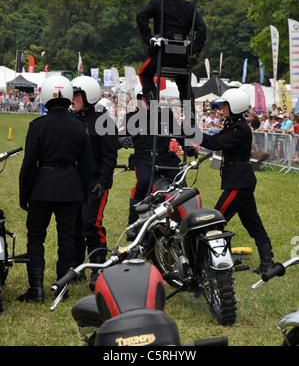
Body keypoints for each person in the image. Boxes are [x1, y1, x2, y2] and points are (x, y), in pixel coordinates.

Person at [17, 75, 92, 303]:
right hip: (70, 189)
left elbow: (28, 165)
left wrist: (24, 194)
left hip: (41, 188)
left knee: (36, 237)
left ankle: (36, 289)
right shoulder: (80, 127)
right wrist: (83, 193)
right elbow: (87, 165)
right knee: (66, 239)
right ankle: (62, 288)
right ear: (68, 97)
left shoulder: (37, 126)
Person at [200, 88, 275, 275]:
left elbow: (214, 144)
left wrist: (191, 133)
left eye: (225, 104)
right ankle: (268, 262)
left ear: (234, 106)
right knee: (253, 223)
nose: (222, 107)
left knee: (215, 220)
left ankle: (213, 260)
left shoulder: (239, 128)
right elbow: (213, 140)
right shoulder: (232, 124)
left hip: (239, 181)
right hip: (240, 179)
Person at [119, 90, 198, 240]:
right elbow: (118, 135)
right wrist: (121, 140)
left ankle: (185, 219)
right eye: (144, 98)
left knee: (180, 181)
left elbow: (178, 133)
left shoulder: (166, 114)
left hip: (165, 157)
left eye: (150, 97)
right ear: (139, 99)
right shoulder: (131, 117)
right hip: (143, 158)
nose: (147, 101)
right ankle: (134, 224)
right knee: (143, 181)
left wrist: (187, 146)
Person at [71, 76, 118, 290]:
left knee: (92, 223)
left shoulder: (104, 121)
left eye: (77, 94)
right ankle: (77, 266)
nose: (72, 98)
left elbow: (110, 157)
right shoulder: (70, 119)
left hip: (95, 181)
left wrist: (103, 182)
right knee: (74, 225)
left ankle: (99, 268)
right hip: (73, 181)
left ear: (88, 96)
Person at [136, 0, 206, 108]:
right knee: (183, 79)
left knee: (143, 73)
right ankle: (189, 110)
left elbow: (141, 15)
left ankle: (152, 100)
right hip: (183, 57)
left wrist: (149, 38)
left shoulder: (158, 4)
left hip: (163, 54)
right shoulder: (190, 7)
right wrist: (195, 52)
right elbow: (202, 28)